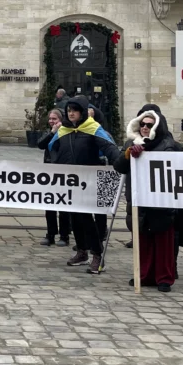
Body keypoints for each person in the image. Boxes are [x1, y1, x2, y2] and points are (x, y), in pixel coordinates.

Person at [44, 95, 121, 274]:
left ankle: (97, 254)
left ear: (83, 112)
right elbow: (51, 147)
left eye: (75, 111)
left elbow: (110, 148)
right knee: (75, 218)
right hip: (71, 181)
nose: (71, 114)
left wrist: (120, 162)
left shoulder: (93, 129)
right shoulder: (64, 130)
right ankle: (82, 251)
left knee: (87, 219)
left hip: (90, 181)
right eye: (69, 111)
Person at [115, 109, 181, 291]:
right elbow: (118, 166)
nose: (144, 127)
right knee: (143, 239)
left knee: (163, 241)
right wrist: (128, 155)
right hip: (139, 197)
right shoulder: (132, 142)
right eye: (142, 124)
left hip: (161, 199)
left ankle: (164, 278)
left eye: (149, 125)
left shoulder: (169, 145)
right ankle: (143, 274)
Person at [38, 109, 70, 247]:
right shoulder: (49, 132)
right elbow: (40, 144)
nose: (52, 121)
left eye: (54, 119)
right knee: (49, 205)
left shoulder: (66, 132)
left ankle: (64, 235)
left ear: (61, 120)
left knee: (63, 206)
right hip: (49, 171)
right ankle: (50, 234)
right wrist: (52, 132)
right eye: (50, 119)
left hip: (63, 171)